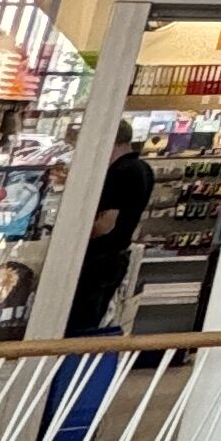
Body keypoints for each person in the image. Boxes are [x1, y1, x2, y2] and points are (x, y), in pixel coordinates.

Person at [66, 123, 158, 337]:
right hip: (113, 259)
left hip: (98, 261)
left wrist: (72, 237)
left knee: (76, 326)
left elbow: (106, 224)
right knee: (88, 323)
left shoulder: (121, 171)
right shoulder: (143, 169)